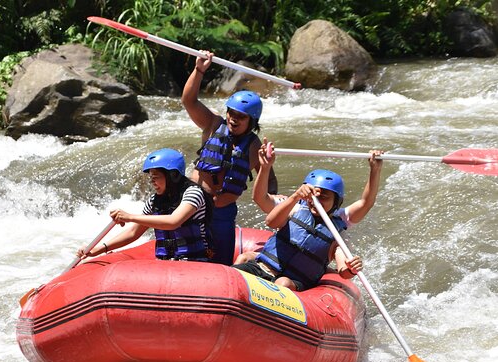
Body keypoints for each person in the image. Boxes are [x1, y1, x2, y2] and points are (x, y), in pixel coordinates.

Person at [233, 147, 384, 290]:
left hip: (293, 281)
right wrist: (266, 169)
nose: (316, 200)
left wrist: (351, 269)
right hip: (264, 268)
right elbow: (270, 220)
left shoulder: (338, 232)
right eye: (313, 194)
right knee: (242, 261)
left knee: (282, 282)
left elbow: (343, 270)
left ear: (337, 202)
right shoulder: (295, 206)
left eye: (324, 197)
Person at [181, 51, 277, 266]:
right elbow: (189, 101)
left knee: (222, 264)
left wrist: (278, 207)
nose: (234, 119)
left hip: (224, 214)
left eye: (241, 116)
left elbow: (269, 182)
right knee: (186, 256)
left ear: (252, 120)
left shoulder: (255, 147)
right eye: (231, 113)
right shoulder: (213, 125)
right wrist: (199, 70)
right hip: (195, 205)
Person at [78, 148, 214, 261]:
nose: (152, 182)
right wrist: (99, 249)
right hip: (165, 264)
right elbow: (133, 232)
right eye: (151, 177)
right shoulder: (154, 200)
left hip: (195, 262)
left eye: (156, 177)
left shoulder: (193, 193)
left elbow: (173, 221)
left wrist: (130, 217)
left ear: (173, 176)